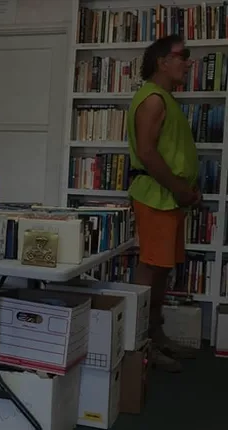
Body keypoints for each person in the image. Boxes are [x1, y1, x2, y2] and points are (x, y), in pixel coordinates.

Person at [127, 34, 200, 373]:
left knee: (161, 270)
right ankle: (141, 344)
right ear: (162, 61)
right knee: (152, 268)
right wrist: (180, 189)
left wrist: (186, 189)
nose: (188, 62)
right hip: (157, 195)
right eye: (183, 55)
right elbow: (146, 152)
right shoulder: (154, 99)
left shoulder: (165, 98)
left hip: (168, 196)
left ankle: (154, 336)